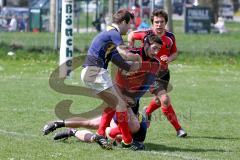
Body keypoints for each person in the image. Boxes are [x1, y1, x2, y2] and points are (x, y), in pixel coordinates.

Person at [43, 34, 163, 150]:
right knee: (122, 128)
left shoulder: (155, 63)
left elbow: (146, 84)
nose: (156, 52)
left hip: (131, 103)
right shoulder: (131, 55)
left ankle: (70, 129)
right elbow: (118, 75)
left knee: (95, 126)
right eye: (154, 48)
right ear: (146, 44)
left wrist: (134, 98)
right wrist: (121, 95)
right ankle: (115, 136)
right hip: (121, 99)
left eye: (158, 49)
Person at [44, 9, 141, 150]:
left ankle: (101, 134)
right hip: (96, 72)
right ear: (124, 22)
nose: (130, 28)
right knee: (120, 105)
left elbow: (121, 62)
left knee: (114, 105)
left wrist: (135, 67)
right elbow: (125, 53)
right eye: (130, 24)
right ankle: (127, 141)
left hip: (89, 73)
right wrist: (137, 57)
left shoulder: (108, 37)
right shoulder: (113, 33)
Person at [128, 9, 187, 138]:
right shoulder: (146, 34)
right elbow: (131, 35)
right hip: (149, 74)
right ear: (152, 23)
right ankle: (179, 129)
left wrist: (169, 59)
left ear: (166, 23)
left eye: (161, 22)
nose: (159, 24)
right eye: (156, 22)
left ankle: (147, 112)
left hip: (164, 73)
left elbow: (175, 53)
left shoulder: (170, 37)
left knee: (159, 101)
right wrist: (130, 49)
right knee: (165, 99)